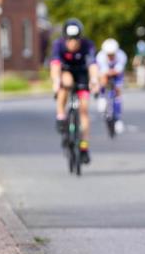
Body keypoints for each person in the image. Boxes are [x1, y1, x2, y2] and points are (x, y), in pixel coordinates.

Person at [50, 19, 99, 163]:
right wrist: (56, 81)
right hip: (65, 72)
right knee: (66, 83)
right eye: (70, 40)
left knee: (84, 109)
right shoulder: (58, 45)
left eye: (76, 40)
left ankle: (84, 146)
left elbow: (92, 65)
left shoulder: (88, 45)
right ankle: (61, 115)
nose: (73, 43)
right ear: (65, 38)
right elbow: (55, 65)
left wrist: (94, 80)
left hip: (82, 73)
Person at [96, 38, 127, 134]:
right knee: (103, 79)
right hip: (105, 73)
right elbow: (102, 71)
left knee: (118, 91)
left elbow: (118, 70)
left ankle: (118, 118)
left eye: (112, 54)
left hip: (117, 74)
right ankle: (102, 96)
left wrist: (113, 74)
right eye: (108, 55)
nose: (110, 57)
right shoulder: (100, 56)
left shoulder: (121, 56)